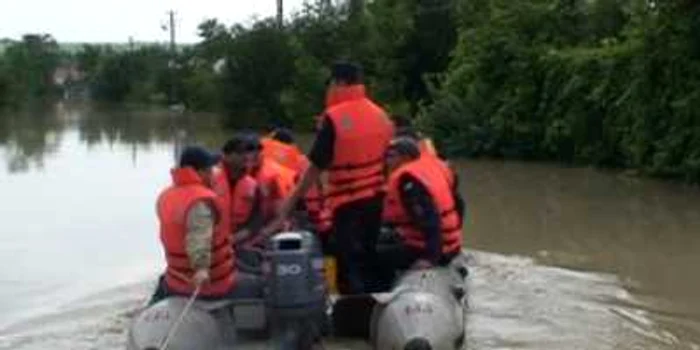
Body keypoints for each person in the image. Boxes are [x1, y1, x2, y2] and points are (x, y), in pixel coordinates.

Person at [262, 61, 395, 294]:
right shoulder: (380, 114)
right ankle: (376, 305)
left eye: (331, 83)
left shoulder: (334, 118)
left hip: (347, 202)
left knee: (348, 261)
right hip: (376, 198)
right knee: (368, 253)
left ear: (340, 83)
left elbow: (313, 170)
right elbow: (388, 162)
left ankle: (351, 311)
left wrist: (285, 209)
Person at [150, 146, 238, 303]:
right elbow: (198, 237)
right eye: (210, 170)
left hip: (175, 279)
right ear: (200, 172)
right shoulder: (199, 201)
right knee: (260, 286)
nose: (213, 175)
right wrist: (201, 269)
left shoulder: (166, 195)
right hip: (210, 284)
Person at [377, 138, 463, 280]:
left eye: (391, 156)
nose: (386, 161)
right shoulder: (425, 172)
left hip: (432, 249)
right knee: (379, 239)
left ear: (406, 157)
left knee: (368, 255)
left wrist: (429, 258)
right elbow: (459, 204)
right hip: (448, 244)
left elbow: (431, 219)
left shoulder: (409, 180)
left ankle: (377, 291)